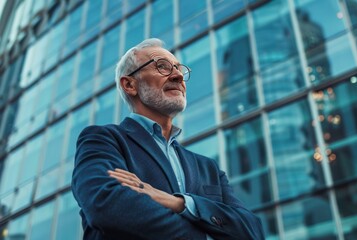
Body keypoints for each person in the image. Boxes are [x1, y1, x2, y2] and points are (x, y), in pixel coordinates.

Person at [71, 38, 264, 240]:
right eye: (162, 67)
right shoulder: (103, 141)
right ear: (129, 85)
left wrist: (181, 203)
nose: (178, 76)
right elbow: (107, 206)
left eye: (179, 69)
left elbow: (252, 231)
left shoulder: (208, 168)